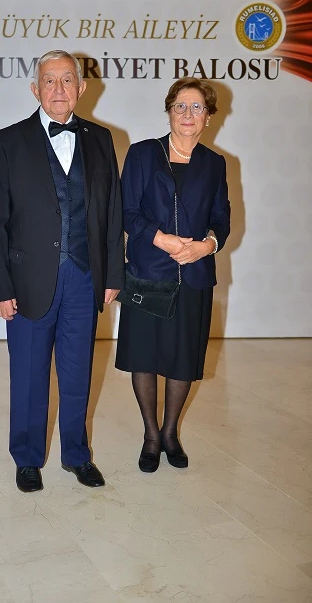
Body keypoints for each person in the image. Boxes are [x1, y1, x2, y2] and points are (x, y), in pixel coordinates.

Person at [0, 50, 124, 492]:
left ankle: (76, 455)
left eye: (67, 80)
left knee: (78, 371)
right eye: (49, 80)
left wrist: (112, 275)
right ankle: (27, 458)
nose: (59, 89)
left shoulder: (102, 139)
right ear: (35, 89)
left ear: (81, 88)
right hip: (28, 281)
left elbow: (113, 212)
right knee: (28, 374)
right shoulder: (8, 141)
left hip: (84, 277)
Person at [116, 77, 230, 472]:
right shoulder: (143, 154)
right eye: (180, 106)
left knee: (183, 358)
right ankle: (150, 435)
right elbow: (127, 211)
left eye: (197, 107)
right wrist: (161, 239)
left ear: (209, 117)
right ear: (168, 112)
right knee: (144, 357)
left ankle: (170, 432)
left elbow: (222, 219)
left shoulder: (214, 164)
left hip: (194, 276)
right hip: (148, 272)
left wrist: (206, 246)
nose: (187, 114)